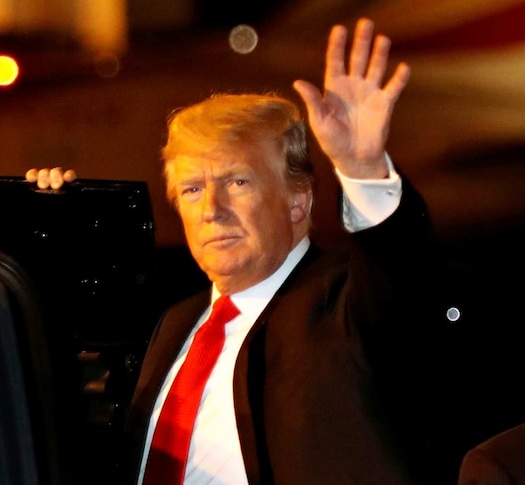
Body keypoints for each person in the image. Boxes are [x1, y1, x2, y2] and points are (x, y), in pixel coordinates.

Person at [30, 17, 455, 484]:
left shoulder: (347, 305)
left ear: (298, 200)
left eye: (237, 182)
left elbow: (405, 274)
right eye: (192, 190)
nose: (213, 209)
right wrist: (45, 227)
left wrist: (363, 167)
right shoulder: (173, 323)